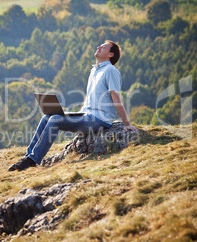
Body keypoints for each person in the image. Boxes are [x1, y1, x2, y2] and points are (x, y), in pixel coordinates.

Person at [8, 40, 138, 171]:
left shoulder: (111, 70)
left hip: (98, 120)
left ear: (111, 54)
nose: (98, 47)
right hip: (86, 115)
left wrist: (126, 123)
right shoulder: (94, 70)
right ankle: (28, 156)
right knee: (48, 116)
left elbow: (116, 97)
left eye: (103, 47)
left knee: (55, 120)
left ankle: (33, 160)